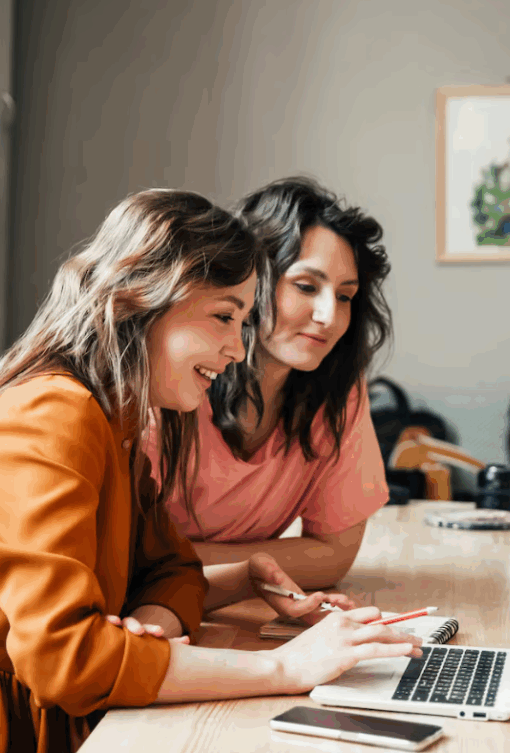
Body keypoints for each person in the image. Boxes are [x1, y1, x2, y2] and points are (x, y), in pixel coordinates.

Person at [0, 189, 419, 753]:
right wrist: (285, 668)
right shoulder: (51, 412)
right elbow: (66, 660)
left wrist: (218, 589)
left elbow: (171, 568)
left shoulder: (120, 418)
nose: (238, 350)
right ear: (142, 298)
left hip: (38, 716)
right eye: (224, 317)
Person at [148, 176, 394, 592]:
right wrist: (270, 564)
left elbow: (333, 556)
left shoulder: (338, 390)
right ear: (251, 278)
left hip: (219, 608)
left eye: (345, 296)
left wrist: (189, 563)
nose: (328, 316)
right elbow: (127, 562)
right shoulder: (171, 379)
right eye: (306, 286)